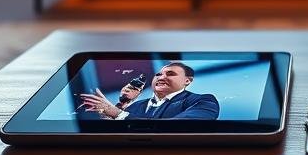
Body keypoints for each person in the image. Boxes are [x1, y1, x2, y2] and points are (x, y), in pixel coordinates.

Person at [79, 63, 220, 120]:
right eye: (158, 74)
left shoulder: (202, 101)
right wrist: (118, 107)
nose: (161, 77)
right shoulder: (136, 105)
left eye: (170, 74)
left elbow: (183, 126)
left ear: (187, 81)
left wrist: (117, 113)